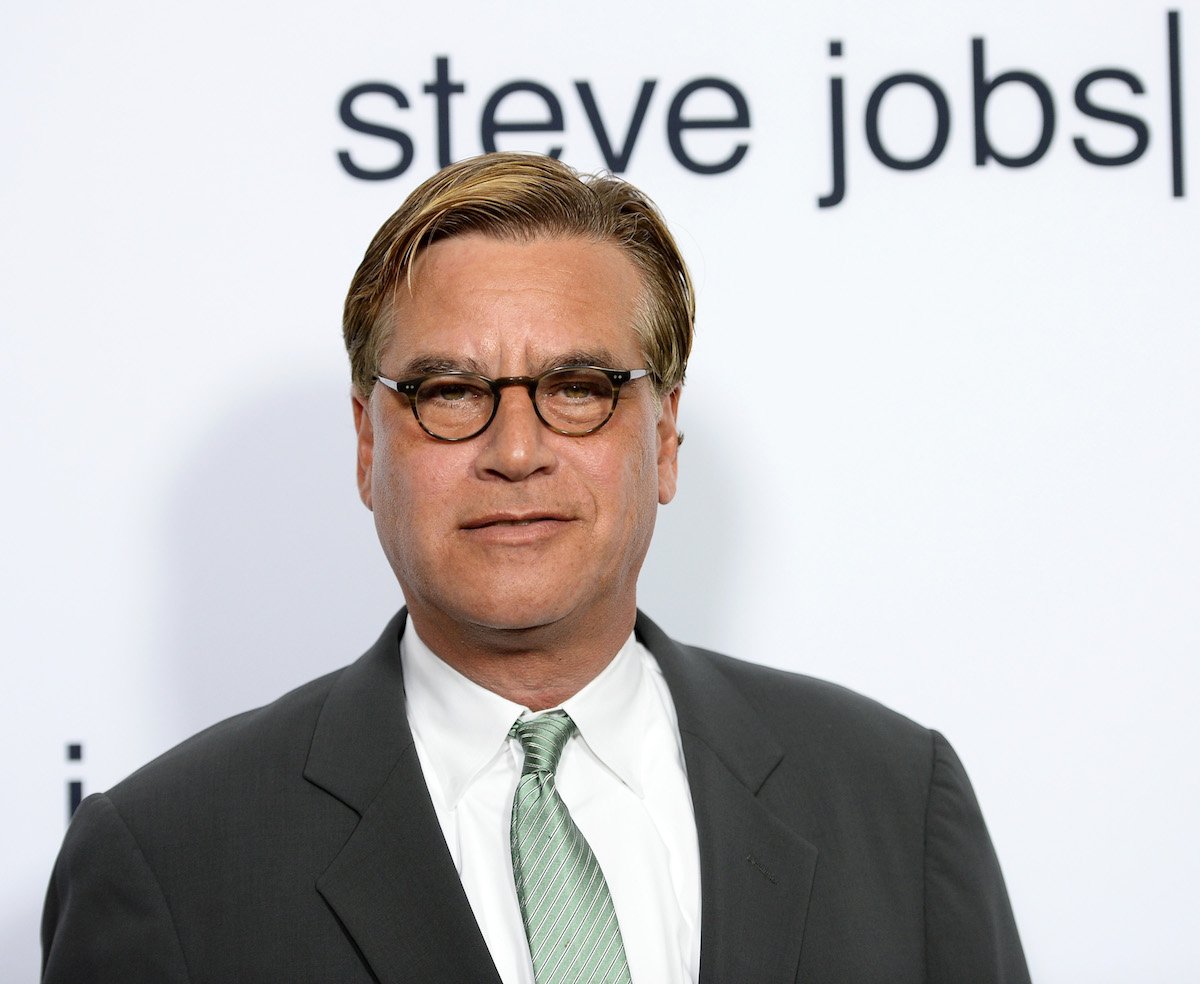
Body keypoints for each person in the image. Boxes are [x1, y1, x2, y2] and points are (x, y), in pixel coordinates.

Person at [42, 153, 1031, 984]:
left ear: (667, 438)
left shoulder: (896, 801)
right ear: (364, 445)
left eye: (579, 387)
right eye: (448, 390)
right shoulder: (168, 859)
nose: (516, 449)